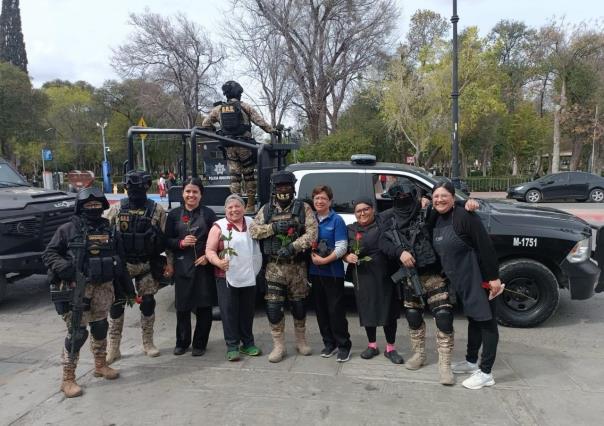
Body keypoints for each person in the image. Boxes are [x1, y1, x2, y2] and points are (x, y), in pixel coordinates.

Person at [380, 178, 479, 384]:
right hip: (409, 275)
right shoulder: (388, 218)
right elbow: (382, 242)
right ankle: (419, 354)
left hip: (434, 273)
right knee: (413, 315)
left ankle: (444, 364)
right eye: (398, 198)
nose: (403, 201)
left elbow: (446, 207)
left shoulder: (426, 212)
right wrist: (400, 252)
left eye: (407, 197)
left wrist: (467, 203)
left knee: (443, 316)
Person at [42, 187, 134, 398]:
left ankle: (100, 365)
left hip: (104, 289)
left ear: (102, 206)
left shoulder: (110, 230)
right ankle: (68, 378)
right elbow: (49, 253)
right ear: (80, 207)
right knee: (78, 333)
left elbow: (120, 261)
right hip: (78, 289)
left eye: (96, 205)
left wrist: (128, 290)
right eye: (88, 205)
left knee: (100, 326)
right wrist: (65, 268)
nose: (92, 208)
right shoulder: (67, 229)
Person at [429, 180, 502, 390]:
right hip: (460, 280)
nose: (439, 200)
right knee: (474, 319)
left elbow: (485, 246)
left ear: (453, 198)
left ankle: (486, 372)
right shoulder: (438, 217)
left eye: (444, 196)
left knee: (487, 322)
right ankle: (471, 362)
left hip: (479, 276)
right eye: (435, 196)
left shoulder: (465, 217)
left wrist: (494, 278)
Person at [249, 170, 318, 363]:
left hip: (297, 267)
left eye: (287, 186)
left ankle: (300, 341)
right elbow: (253, 230)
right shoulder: (267, 210)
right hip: (274, 267)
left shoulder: (303, 208)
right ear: (275, 189)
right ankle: (279, 346)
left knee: (299, 305)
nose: (284, 190)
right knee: (273, 307)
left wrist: (293, 246)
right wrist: (272, 228)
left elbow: (312, 234)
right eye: (280, 187)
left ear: (293, 188)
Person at [104, 170, 168, 364]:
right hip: (123, 265)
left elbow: (164, 239)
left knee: (148, 302)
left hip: (146, 263)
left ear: (146, 187)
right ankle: (114, 347)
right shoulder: (116, 209)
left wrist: (169, 263)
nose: (134, 192)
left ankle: (148, 342)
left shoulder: (157, 210)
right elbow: (105, 234)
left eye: (139, 188)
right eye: (131, 188)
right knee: (117, 304)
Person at [202, 80, 278, 213]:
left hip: (229, 146)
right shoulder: (245, 106)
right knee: (248, 175)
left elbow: (205, 123)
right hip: (245, 145)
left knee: (234, 177)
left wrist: (217, 132)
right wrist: (272, 131)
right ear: (239, 93)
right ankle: (250, 205)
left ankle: (234, 205)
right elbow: (260, 122)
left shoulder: (219, 109)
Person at [343, 198, 403, 365]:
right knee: (367, 308)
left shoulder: (383, 223)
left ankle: (390, 348)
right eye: (358, 211)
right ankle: (372, 345)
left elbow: (402, 207)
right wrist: (347, 256)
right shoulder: (350, 229)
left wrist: (424, 200)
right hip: (362, 276)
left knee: (388, 311)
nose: (362, 213)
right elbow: (342, 247)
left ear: (373, 209)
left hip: (385, 274)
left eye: (366, 209)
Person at [164, 177, 218, 356]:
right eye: (188, 191)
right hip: (182, 266)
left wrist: (207, 257)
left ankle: (200, 344)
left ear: (201, 194)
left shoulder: (209, 214)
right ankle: (182, 342)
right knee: (182, 307)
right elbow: (166, 241)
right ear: (182, 193)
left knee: (204, 307)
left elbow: (219, 241)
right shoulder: (173, 215)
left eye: (195, 191)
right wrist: (180, 243)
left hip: (204, 266)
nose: (191, 195)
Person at [206, 194, 263, 361]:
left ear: (244, 208)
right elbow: (209, 251)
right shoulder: (219, 226)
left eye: (237, 206)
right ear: (225, 210)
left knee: (247, 311)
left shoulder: (252, 224)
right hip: (226, 276)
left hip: (249, 274)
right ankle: (232, 345)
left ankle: (247, 343)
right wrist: (218, 262)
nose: (234, 210)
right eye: (230, 207)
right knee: (229, 311)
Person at [308, 185, 352, 362]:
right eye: (317, 198)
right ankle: (329, 343)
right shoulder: (311, 220)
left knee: (336, 311)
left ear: (330, 201)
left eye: (323, 198)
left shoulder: (337, 220)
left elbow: (342, 247)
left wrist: (325, 261)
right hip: (315, 273)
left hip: (332, 273)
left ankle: (343, 345)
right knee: (321, 310)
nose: (319, 201)